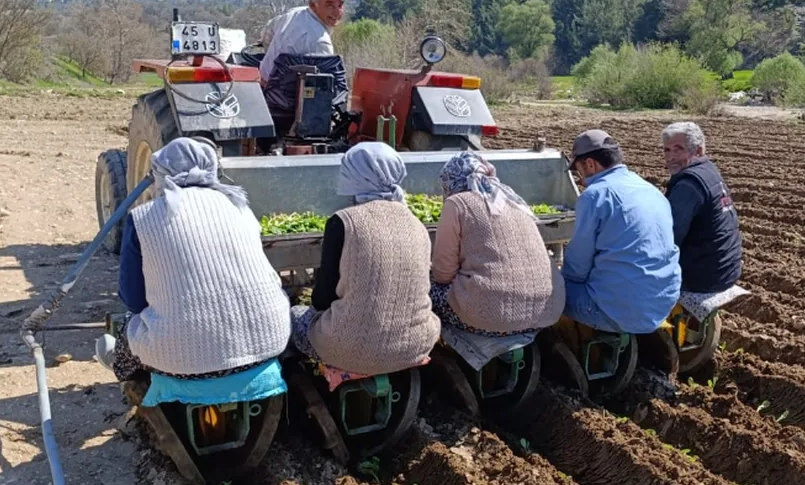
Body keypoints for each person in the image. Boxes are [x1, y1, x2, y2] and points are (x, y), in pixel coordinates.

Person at [98, 138, 291, 403]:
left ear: (160, 173)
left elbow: (133, 299)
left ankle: (122, 368)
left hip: (184, 363)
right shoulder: (242, 208)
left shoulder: (142, 217)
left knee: (131, 326)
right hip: (270, 343)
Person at [290, 142, 440, 377]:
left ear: (353, 176)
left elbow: (321, 300)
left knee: (295, 316)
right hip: (416, 345)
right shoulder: (416, 223)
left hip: (346, 349)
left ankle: (314, 377)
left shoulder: (344, 222)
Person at [430, 151, 565, 336]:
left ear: (449, 180)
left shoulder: (457, 203)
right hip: (547, 311)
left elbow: (443, 274)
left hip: (490, 318)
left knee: (430, 290)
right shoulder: (512, 198)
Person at [561, 130, 681, 333]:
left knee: (551, 292)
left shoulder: (595, 196)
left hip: (618, 311)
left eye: (579, 170)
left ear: (590, 164)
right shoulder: (650, 189)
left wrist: (556, 273)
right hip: (662, 303)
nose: (580, 177)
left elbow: (577, 267)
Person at [661, 122, 742, 294]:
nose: (671, 157)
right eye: (667, 150)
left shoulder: (688, 186)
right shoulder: (708, 170)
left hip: (704, 276)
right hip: (726, 267)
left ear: (698, 151)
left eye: (678, 149)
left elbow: (669, 237)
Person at [259, 0, 352, 84]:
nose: (337, 12)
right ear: (313, 5)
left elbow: (267, 33)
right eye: (329, 5)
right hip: (289, 97)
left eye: (340, 5)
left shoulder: (292, 13)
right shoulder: (320, 41)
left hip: (263, 86)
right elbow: (326, 84)